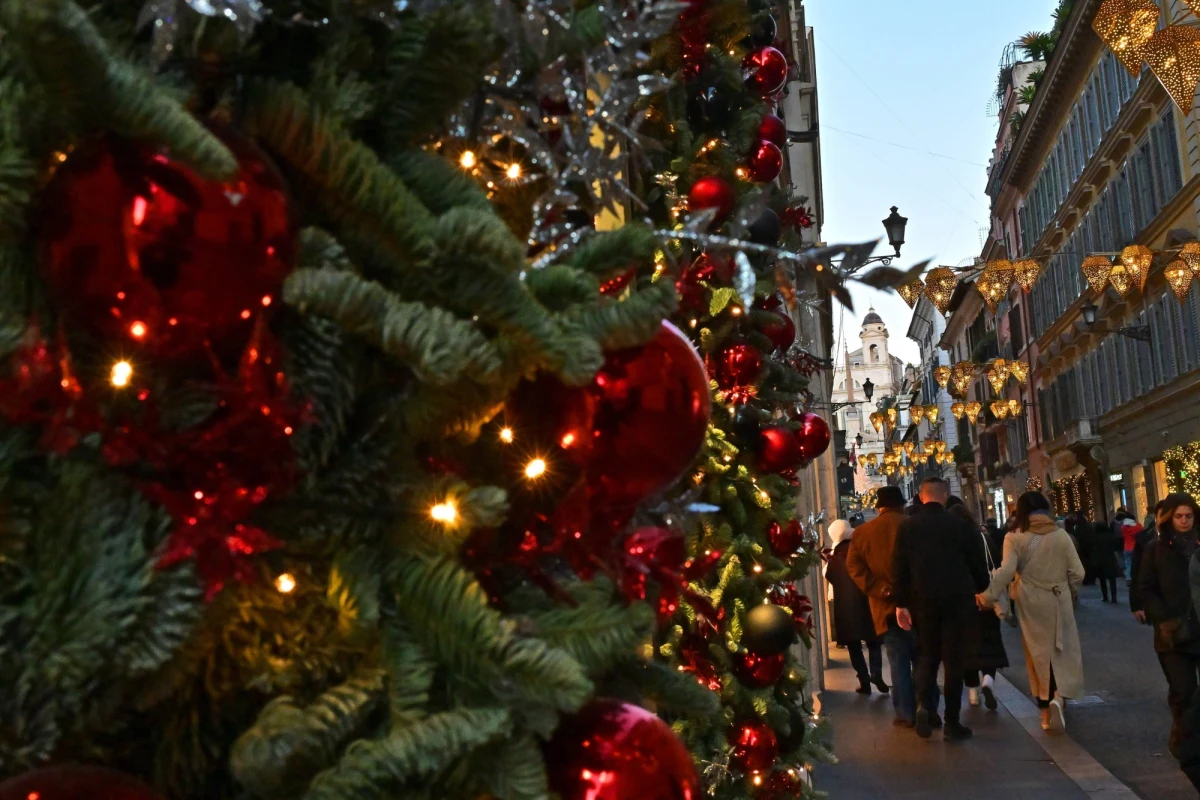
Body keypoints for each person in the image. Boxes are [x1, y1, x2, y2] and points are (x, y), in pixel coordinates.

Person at [978, 491, 1084, 733]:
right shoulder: (1061, 535)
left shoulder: (1014, 538)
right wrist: (1068, 592)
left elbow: (1006, 572)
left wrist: (987, 596)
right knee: (1062, 650)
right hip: (1059, 598)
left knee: (1038, 654)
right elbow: (1078, 573)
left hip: (1030, 600)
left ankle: (1045, 710)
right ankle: (1059, 696)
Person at [894, 478, 989, 742]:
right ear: (945, 496)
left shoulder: (908, 527)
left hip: (922, 601)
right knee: (953, 661)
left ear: (921, 496)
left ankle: (925, 706)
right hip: (957, 601)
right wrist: (980, 588)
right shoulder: (959, 525)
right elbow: (978, 565)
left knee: (927, 656)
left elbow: (899, 567)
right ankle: (952, 722)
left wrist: (901, 604)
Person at [847, 486, 922, 728]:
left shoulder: (863, 533)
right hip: (919, 605)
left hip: (885, 607)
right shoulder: (913, 526)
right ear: (901, 504)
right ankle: (926, 707)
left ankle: (905, 713)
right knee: (922, 659)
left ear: (879, 507)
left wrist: (881, 589)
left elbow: (854, 567)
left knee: (898, 661)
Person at [1138, 492, 1200, 779]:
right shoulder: (1156, 549)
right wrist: (1163, 617)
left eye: (1189, 516)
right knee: (1183, 690)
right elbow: (1146, 588)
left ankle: (1190, 738)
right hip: (1172, 635)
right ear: (1169, 518)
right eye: (1179, 516)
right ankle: (1184, 740)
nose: (1184, 521)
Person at [949, 498, 1009, 711]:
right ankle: (988, 681)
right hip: (986, 597)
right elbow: (997, 563)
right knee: (989, 641)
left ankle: (973, 692)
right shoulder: (984, 538)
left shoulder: (952, 542)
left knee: (966, 646)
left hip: (962, 601)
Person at [825, 519, 889, 695]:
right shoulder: (862, 551)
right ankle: (876, 673)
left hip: (846, 607)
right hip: (867, 602)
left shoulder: (835, 557)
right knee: (873, 641)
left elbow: (830, 576)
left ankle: (864, 680)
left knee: (854, 645)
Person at [1131, 501, 1165, 624]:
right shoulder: (1144, 539)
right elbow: (1136, 573)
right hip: (1155, 602)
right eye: (1162, 515)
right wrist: (1136, 605)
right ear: (1156, 517)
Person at [1088, 515, 1123, 604]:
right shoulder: (1110, 536)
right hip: (1110, 558)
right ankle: (1114, 597)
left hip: (1099, 559)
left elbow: (1092, 548)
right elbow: (1117, 545)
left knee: (1102, 580)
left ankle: (1105, 596)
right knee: (1112, 580)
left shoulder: (1095, 537)